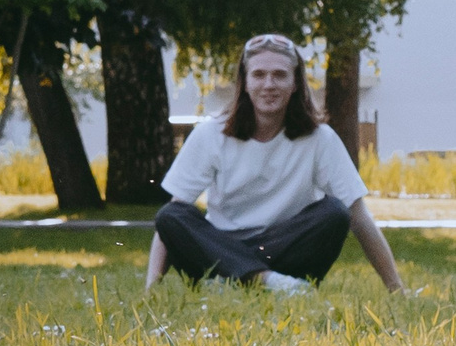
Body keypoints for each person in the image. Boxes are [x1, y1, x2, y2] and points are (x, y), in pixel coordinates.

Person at [146, 34, 405, 294]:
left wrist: (396, 287)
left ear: (295, 84)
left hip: (283, 247)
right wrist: (151, 289)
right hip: (220, 248)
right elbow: (172, 220)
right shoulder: (210, 134)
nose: (269, 84)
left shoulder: (320, 138)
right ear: (245, 83)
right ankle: (267, 282)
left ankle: (237, 282)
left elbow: (358, 216)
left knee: (335, 213)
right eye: (258, 75)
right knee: (171, 215)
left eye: (280, 75)